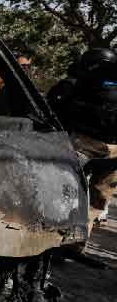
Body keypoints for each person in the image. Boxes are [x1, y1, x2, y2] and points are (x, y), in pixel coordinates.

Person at [48, 48, 117, 224]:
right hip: (114, 150)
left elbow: (54, 109)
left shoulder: (76, 85)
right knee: (99, 198)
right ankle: (77, 243)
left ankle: (57, 231)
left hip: (83, 144)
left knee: (64, 187)